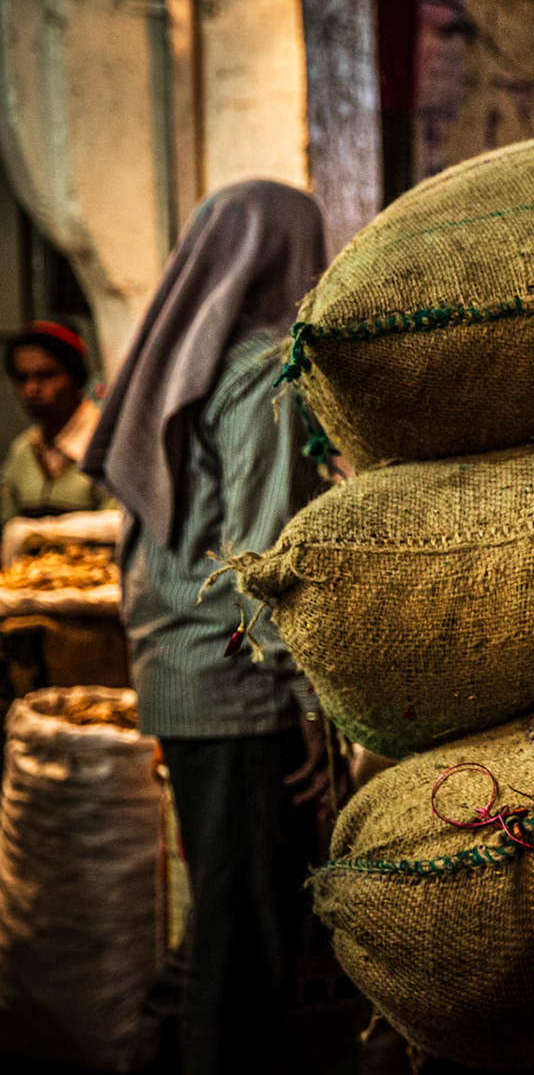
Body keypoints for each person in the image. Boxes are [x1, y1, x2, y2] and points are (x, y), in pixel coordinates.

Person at [83, 180, 341, 1075]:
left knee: (219, 926)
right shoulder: (267, 370)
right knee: (244, 950)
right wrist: (309, 698)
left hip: (179, 676)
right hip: (237, 691)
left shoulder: (189, 358)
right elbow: (262, 557)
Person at [3, 321, 113, 523]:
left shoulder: (104, 444)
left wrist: (39, 533)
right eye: (21, 378)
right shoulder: (22, 450)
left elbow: (119, 525)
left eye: (46, 375)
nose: (31, 389)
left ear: (76, 378)